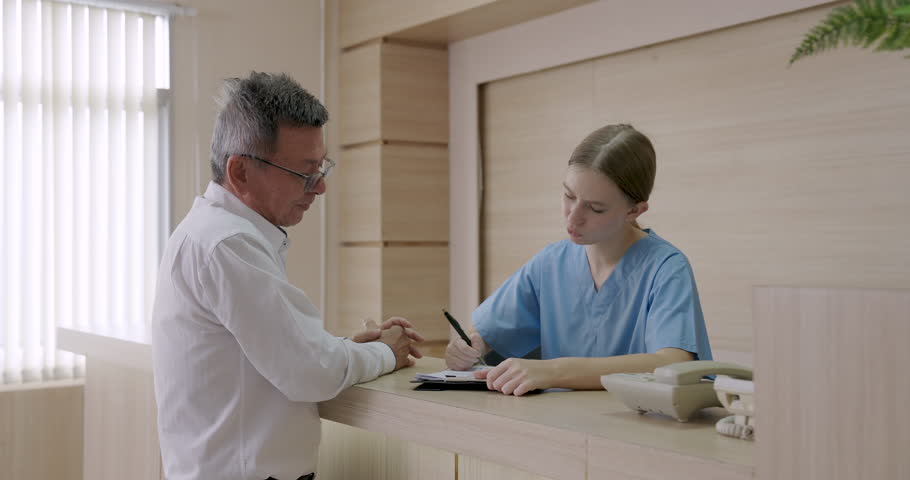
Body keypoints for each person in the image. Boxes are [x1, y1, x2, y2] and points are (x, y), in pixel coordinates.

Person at [152, 72, 423, 480]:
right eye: (305, 172)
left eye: (322, 168)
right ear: (241, 172)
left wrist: (339, 346)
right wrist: (387, 353)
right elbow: (310, 374)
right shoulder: (227, 244)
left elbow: (264, 355)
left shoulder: (217, 234)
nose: (319, 188)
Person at [445, 124, 712, 396]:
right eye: (569, 196)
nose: (573, 218)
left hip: (638, 428)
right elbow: (486, 332)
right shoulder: (550, 263)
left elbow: (673, 362)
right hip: (561, 426)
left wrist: (553, 371)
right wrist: (470, 346)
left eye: (595, 208)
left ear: (634, 210)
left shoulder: (665, 267)